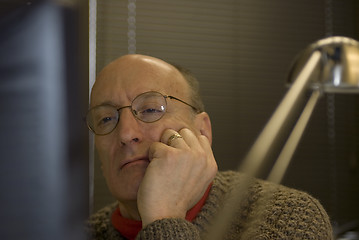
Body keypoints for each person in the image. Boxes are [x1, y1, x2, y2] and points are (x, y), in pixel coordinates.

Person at [86, 54, 333, 239]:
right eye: (106, 119)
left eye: (151, 109)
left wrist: (163, 218)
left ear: (202, 130)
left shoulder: (287, 217)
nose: (127, 134)